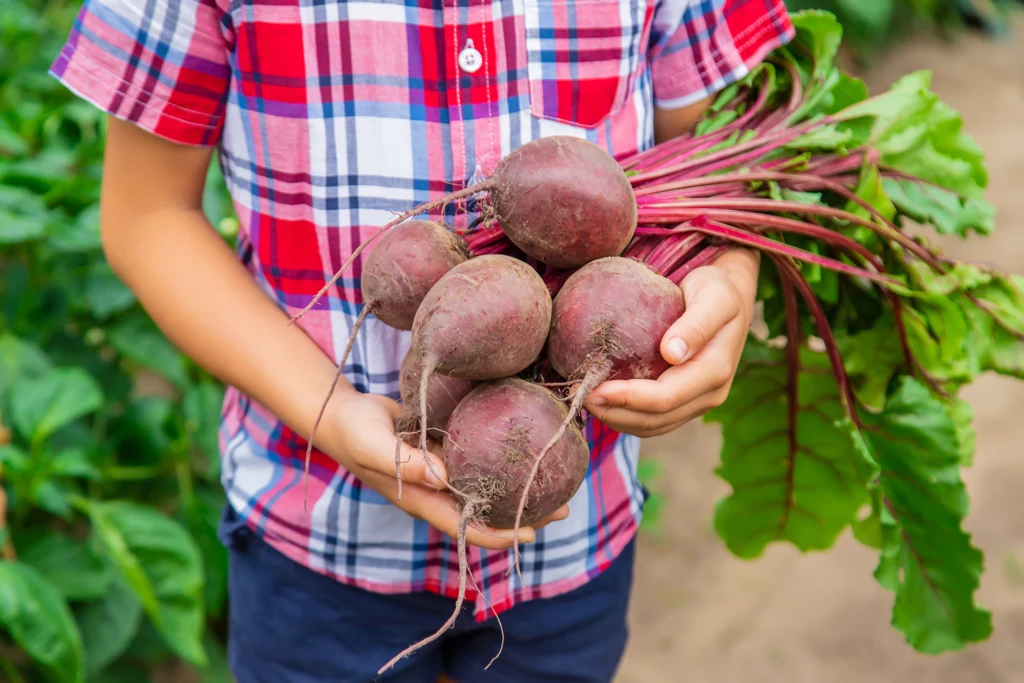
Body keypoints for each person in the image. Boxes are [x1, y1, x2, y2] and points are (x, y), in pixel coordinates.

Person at [51, 0, 793, 680]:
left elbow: (720, 139)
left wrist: (729, 270)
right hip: (314, 531)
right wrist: (331, 410)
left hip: (572, 534)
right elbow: (147, 217)